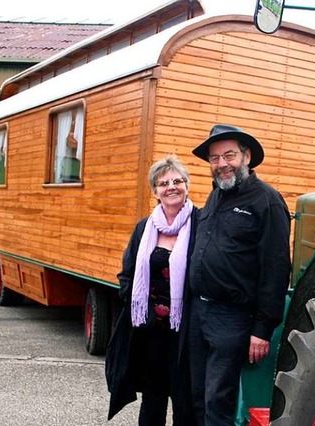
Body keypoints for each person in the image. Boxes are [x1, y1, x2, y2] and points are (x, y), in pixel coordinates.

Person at [188, 124, 291, 425]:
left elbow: (276, 268)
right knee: (196, 396)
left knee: (219, 401)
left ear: (246, 156)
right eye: (214, 158)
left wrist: (262, 329)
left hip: (232, 317)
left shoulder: (267, 201)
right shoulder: (215, 197)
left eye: (229, 155)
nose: (222, 164)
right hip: (200, 312)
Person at [105, 154, 198, 426]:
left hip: (186, 335)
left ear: (187, 186)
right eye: (163, 183)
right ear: (154, 191)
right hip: (151, 333)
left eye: (177, 181)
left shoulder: (201, 224)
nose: (171, 187)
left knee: (186, 402)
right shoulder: (144, 228)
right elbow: (127, 274)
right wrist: (136, 304)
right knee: (153, 401)